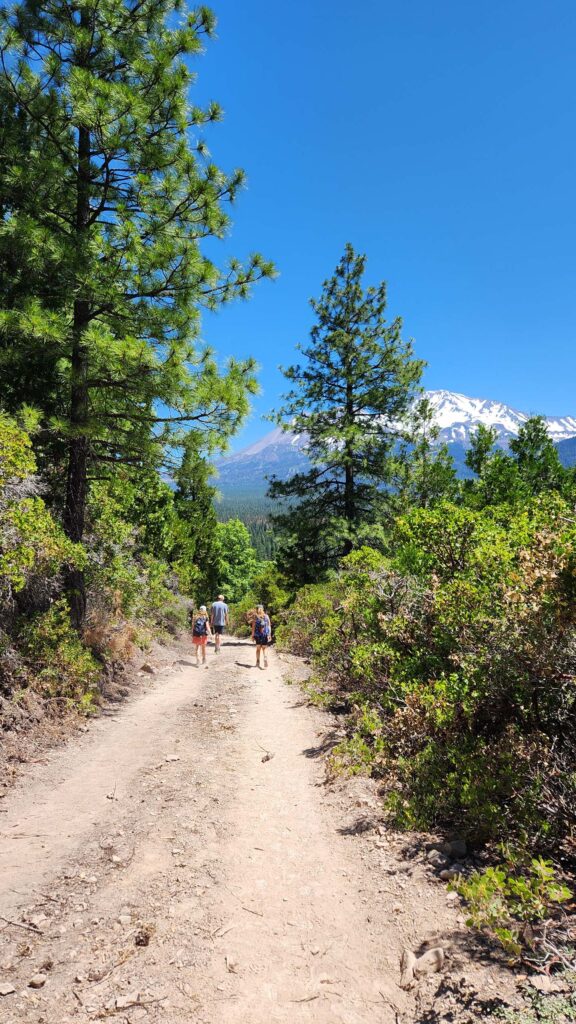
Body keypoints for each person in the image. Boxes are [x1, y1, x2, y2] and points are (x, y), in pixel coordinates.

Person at [252, 604, 271, 669]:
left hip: (257, 635)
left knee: (258, 649)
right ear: (263, 609)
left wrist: (252, 636)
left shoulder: (255, 617)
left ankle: (257, 662)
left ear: (256, 609)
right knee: (264, 648)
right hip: (264, 635)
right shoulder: (266, 616)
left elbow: (253, 627)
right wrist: (269, 634)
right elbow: (269, 626)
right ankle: (265, 658)